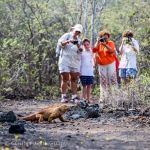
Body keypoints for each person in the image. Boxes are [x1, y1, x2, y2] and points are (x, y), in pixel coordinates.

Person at [57, 24, 83, 103]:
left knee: (74, 79)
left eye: (79, 32)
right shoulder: (67, 35)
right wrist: (68, 41)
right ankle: (63, 96)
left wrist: (78, 45)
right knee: (65, 78)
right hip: (65, 60)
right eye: (76, 31)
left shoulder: (79, 40)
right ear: (73, 30)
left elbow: (80, 51)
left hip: (74, 61)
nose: (77, 33)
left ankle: (74, 96)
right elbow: (60, 44)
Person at [92, 30, 118, 103]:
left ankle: (115, 97)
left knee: (113, 80)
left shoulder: (110, 43)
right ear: (100, 37)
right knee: (103, 81)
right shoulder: (98, 44)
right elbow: (94, 50)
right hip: (101, 64)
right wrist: (97, 42)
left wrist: (105, 45)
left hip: (110, 63)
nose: (105, 39)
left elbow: (111, 51)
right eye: (104, 38)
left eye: (107, 38)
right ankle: (103, 98)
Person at [80, 38, 95, 103]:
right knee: (84, 86)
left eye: (88, 44)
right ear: (83, 45)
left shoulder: (91, 52)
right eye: (85, 45)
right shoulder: (81, 52)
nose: (86, 46)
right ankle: (84, 99)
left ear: (89, 45)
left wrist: (91, 52)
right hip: (83, 71)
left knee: (89, 86)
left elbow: (94, 61)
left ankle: (88, 99)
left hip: (90, 72)